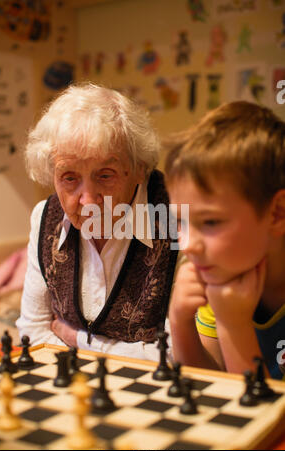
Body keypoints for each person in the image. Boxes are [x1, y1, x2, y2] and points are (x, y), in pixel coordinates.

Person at [16, 83, 178, 360]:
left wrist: (78, 340)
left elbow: (179, 354)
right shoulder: (45, 218)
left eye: (105, 175)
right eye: (69, 178)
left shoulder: (177, 217)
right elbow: (33, 333)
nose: (88, 201)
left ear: (140, 169)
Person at [165, 101, 285, 380]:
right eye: (180, 222)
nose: (187, 245)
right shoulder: (222, 270)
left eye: (210, 222)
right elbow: (214, 386)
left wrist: (234, 326)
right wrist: (180, 322)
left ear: (277, 213)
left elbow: (266, 415)